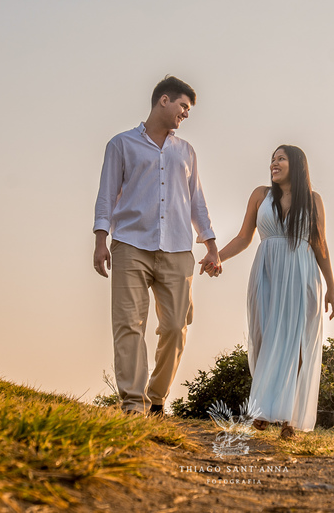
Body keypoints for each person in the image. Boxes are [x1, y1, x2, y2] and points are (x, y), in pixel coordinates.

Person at [93, 76, 221, 416]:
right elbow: (106, 196)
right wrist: (100, 239)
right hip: (130, 244)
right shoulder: (121, 144)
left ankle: (156, 397)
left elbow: (197, 201)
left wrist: (210, 244)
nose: (186, 114)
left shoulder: (186, 151)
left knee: (177, 326)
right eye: (184, 106)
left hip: (178, 248)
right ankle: (133, 404)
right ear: (163, 101)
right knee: (128, 323)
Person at [201, 145, 334, 438]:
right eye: (272, 160)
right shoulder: (260, 195)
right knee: (264, 336)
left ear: (297, 165)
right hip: (267, 272)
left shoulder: (313, 200)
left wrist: (331, 287)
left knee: (299, 342)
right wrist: (217, 257)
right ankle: (263, 405)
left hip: (303, 273)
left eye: (280, 159)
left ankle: (288, 419)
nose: (273, 164)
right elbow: (243, 237)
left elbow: (320, 244)